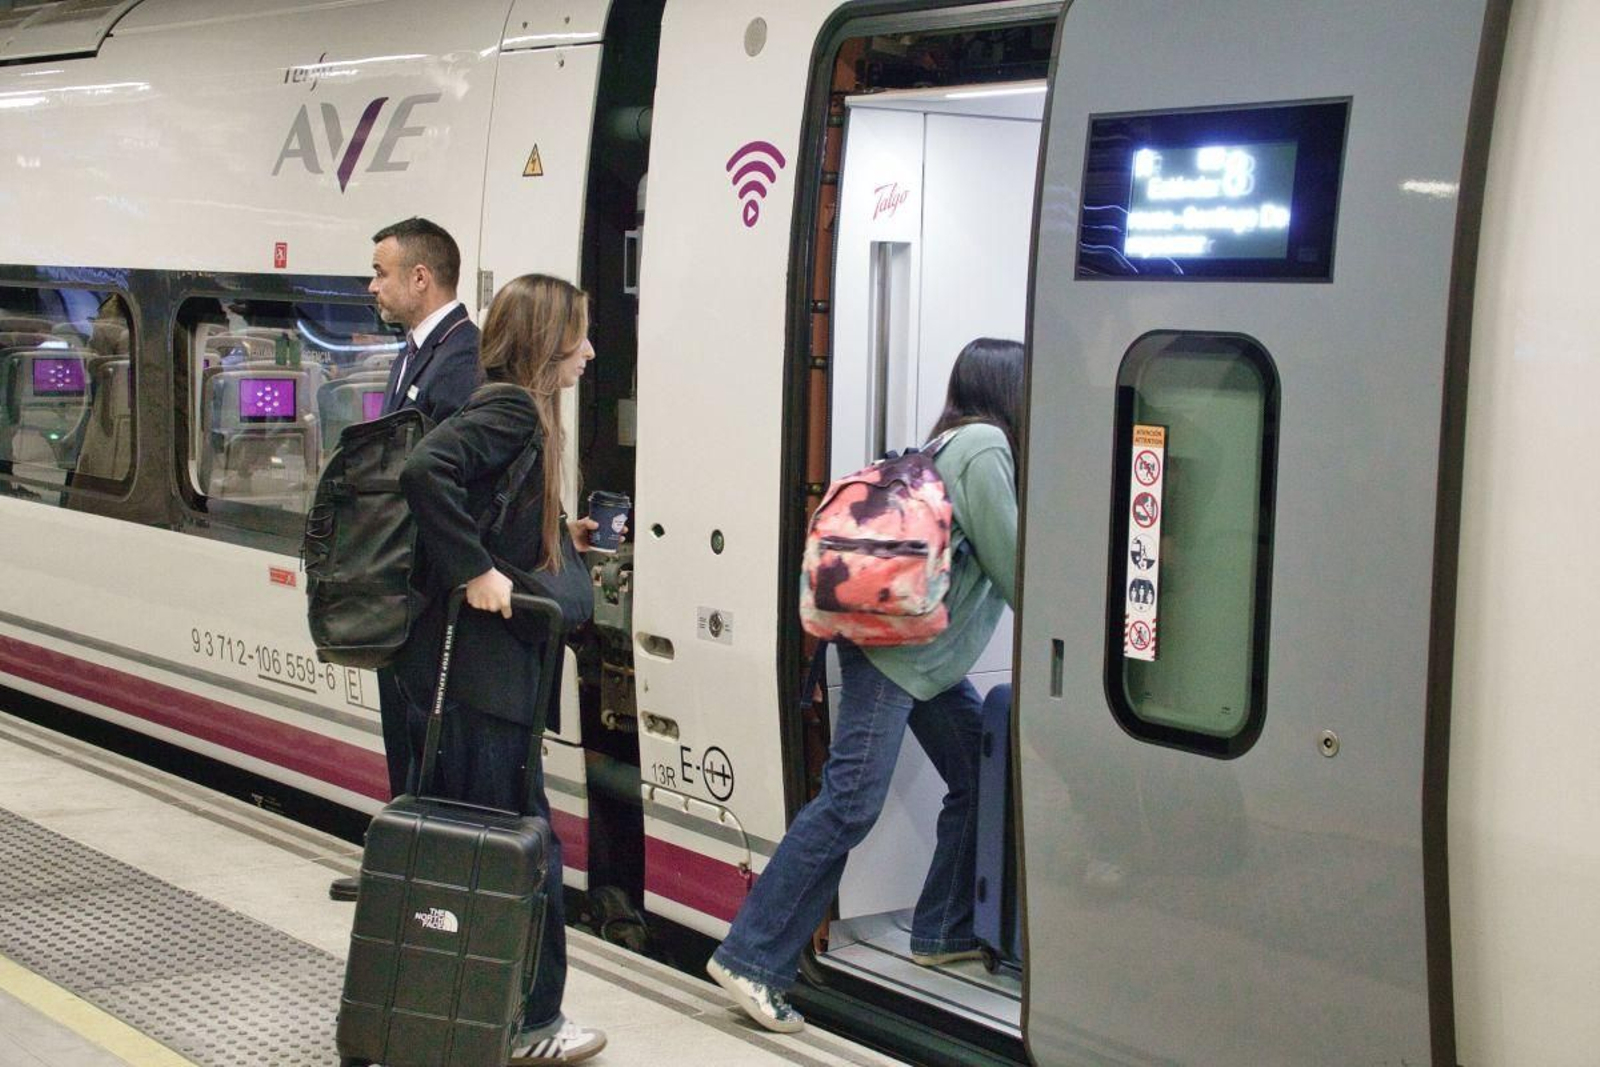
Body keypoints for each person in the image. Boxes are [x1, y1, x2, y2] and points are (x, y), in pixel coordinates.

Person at [707, 337, 1023, 1033]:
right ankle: (751, 956)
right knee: (849, 803)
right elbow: (1014, 560)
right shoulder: (984, 448)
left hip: (919, 659)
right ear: (1012, 390)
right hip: (893, 655)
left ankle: (940, 929)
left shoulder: (948, 442)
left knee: (978, 772)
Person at [395, 273, 606, 1065]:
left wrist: (550, 532)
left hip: (477, 676)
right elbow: (426, 473)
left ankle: (483, 1006)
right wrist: (476, 569)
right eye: (578, 335)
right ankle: (530, 1019)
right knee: (523, 845)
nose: (589, 350)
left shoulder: (507, 407)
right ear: (546, 340)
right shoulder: (513, 406)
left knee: (503, 840)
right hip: (484, 676)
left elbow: (479, 493)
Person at [330, 217, 482, 903]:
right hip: (401, 590)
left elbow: (441, 484)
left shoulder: (460, 361)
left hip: (429, 593)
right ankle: (405, 867)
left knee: (429, 737)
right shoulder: (418, 351)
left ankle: (426, 882)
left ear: (421, 278)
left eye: (381, 273)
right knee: (406, 735)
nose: (373, 286)